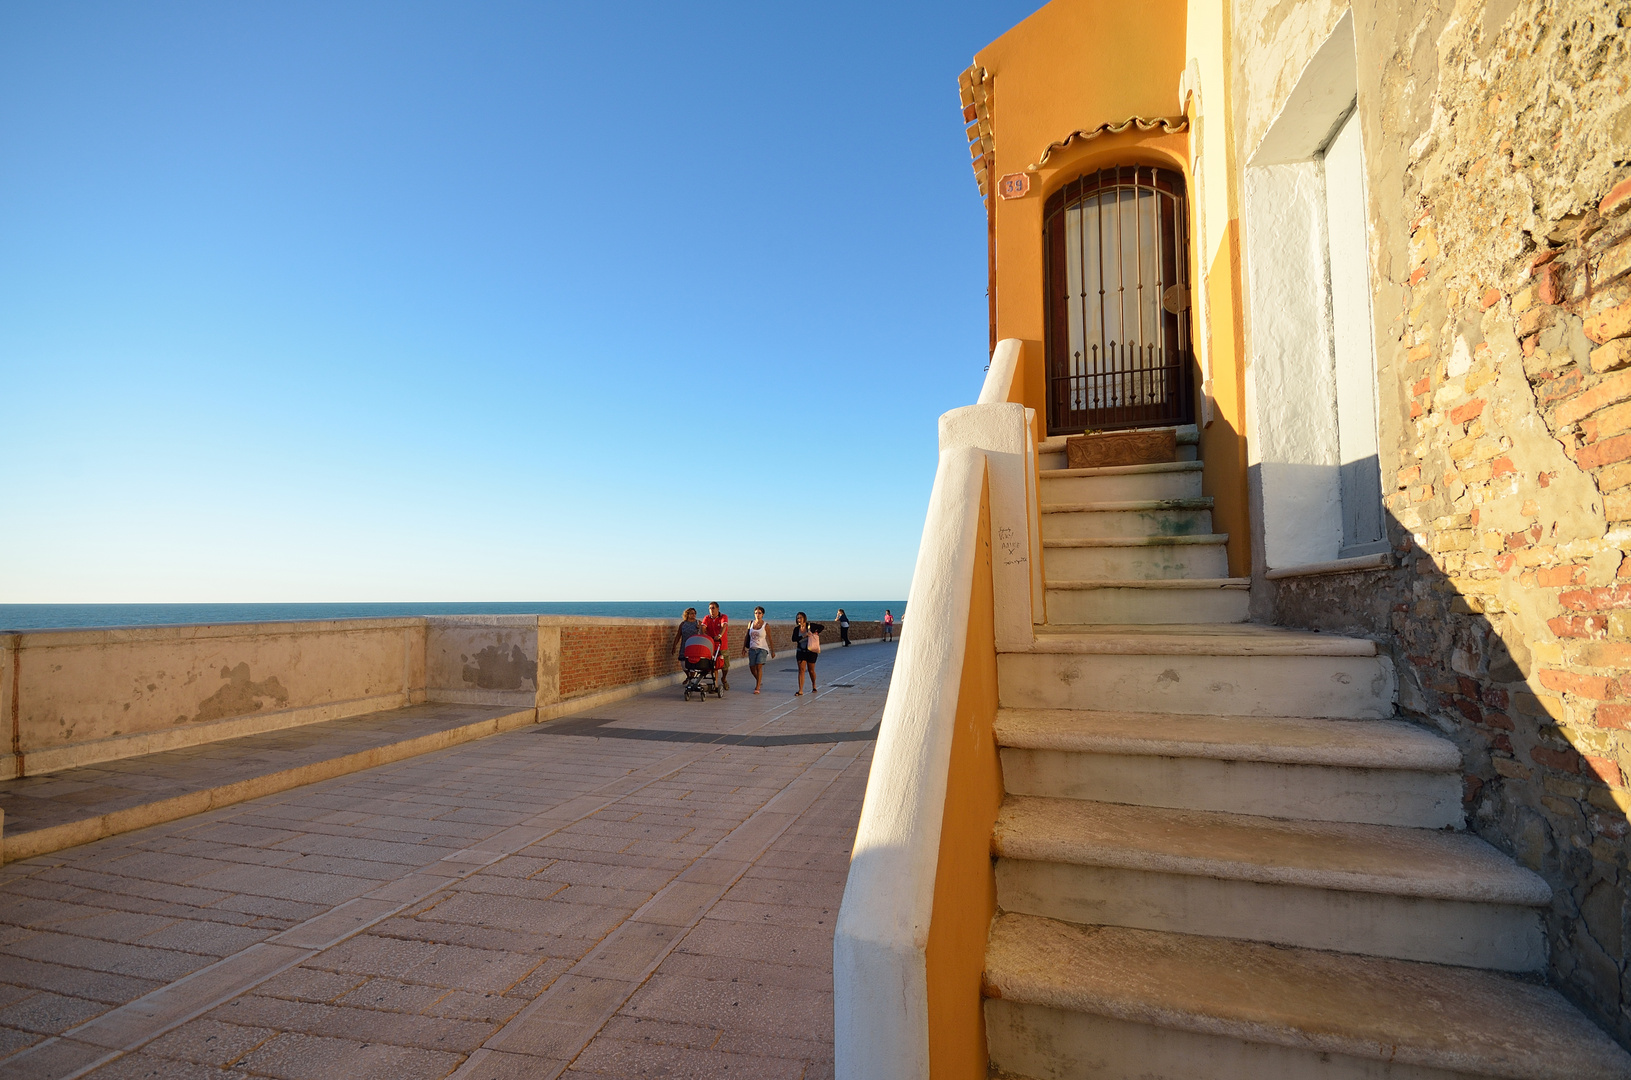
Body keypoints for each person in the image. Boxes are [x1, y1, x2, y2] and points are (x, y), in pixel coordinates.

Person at [742, 606, 776, 694]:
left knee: (759, 666)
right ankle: (759, 680)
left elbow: (770, 638)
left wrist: (772, 650)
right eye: (756, 613)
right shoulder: (751, 623)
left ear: (763, 614)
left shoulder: (766, 625)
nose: (758, 615)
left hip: (762, 648)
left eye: (759, 613)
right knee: (752, 667)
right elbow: (747, 636)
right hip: (752, 648)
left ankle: (757, 686)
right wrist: (743, 648)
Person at [702, 601, 731, 691]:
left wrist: (720, 635)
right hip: (711, 645)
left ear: (718, 609)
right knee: (714, 665)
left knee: (725, 666)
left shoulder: (723, 617)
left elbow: (724, 626)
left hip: (722, 645)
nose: (711, 610)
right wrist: (705, 634)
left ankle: (724, 678)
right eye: (710, 608)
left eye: (713, 608)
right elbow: (703, 627)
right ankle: (716, 683)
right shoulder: (707, 618)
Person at [793, 612, 821, 695]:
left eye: (801, 617)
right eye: (798, 618)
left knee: (811, 670)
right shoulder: (796, 629)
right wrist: (803, 636)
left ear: (804, 618)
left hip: (811, 651)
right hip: (800, 651)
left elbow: (821, 627)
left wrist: (815, 633)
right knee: (801, 670)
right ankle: (800, 690)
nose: (799, 619)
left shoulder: (810, 626)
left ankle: (814, 685)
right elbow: (794, 639)